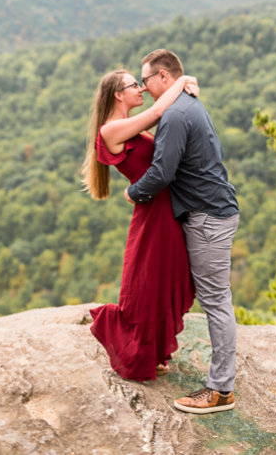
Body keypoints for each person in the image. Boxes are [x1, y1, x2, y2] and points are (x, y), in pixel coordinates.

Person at [124, 49, 241, 415]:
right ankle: (221, 381)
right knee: (215, 297)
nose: (143, 87)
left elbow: (162, 173)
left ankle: (221, 390)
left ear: (162, 77)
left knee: (215, 301)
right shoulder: (187, 100)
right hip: (213, 212)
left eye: (145, 80)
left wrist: (133, 192)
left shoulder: (175, 115)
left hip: (208, 217)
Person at [81, 69, 199, 382]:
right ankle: (138, 352)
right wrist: (182, 80)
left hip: (164, 211)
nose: (141, 90)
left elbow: (167, 121)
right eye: (135, 85)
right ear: (118, 94)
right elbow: (159, 111)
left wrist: (184, 89)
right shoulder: (111, 130)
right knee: (145, 286)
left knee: (163, 280)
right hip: (152, 216)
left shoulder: (127, 128)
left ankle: (157, 352)